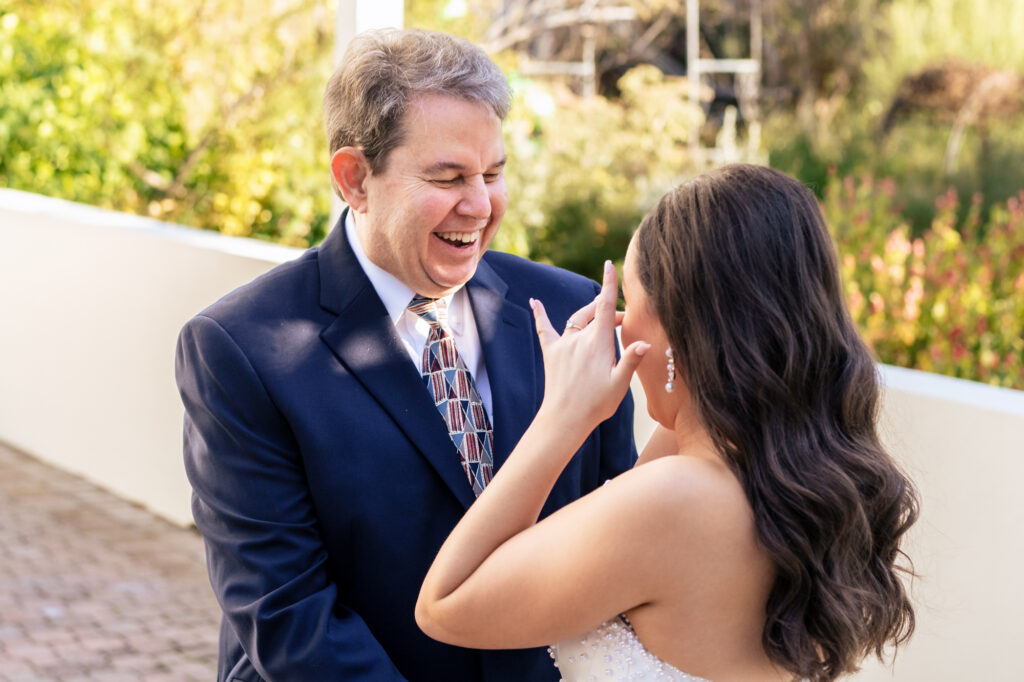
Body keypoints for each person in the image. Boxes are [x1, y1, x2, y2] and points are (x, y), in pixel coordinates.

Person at [175, 28, 637, 682]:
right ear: (354, 178)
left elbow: (619, 535)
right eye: (448, 177)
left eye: (493, 174)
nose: (479, 205)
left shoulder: (572, 310)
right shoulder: (241, 349)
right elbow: (291, 618)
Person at [416, 163, 919, 682]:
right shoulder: (792, 469)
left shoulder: (676, 498)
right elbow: (697, 414)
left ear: (680, 324)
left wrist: (561, 417)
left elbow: (444, 604)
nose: (616, 323)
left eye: (629, 301)